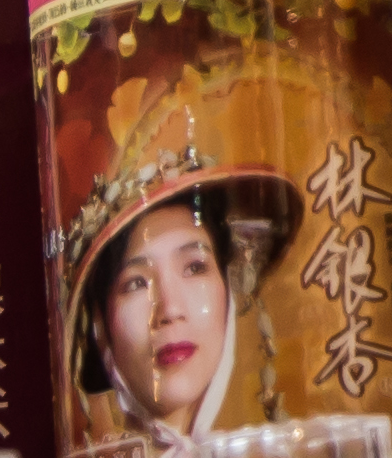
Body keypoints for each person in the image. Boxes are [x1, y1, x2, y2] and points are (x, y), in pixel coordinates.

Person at [74, 175, 292, 443]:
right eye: (136, 283)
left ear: (228, 290)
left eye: (195, 268)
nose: (170, 310)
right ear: (100, 324)